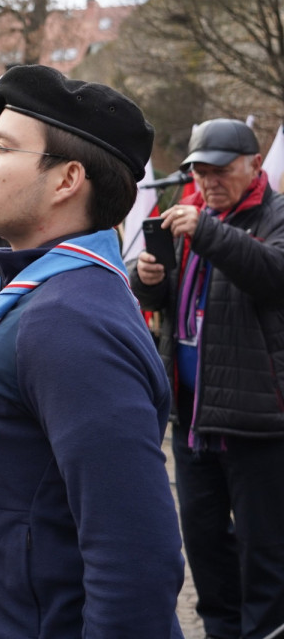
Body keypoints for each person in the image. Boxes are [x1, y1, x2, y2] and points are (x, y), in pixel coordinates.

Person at [0, 64, 184, 637]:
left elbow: (137, 559)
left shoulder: (71, 325)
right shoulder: (42, 292)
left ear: (67, 180)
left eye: (1, 148)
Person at [132, 118, 284, 639]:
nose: (209, 182)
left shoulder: (275, 214)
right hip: (193, 414)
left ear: (255, 166)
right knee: (203, 543)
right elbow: (168, 301)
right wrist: (149, 280)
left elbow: (272, 275)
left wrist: (208, 231)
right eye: (200, 171)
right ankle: (221, 629)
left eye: (221, 171)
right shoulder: (190, 218)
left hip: (258, 417)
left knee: (267, 548)